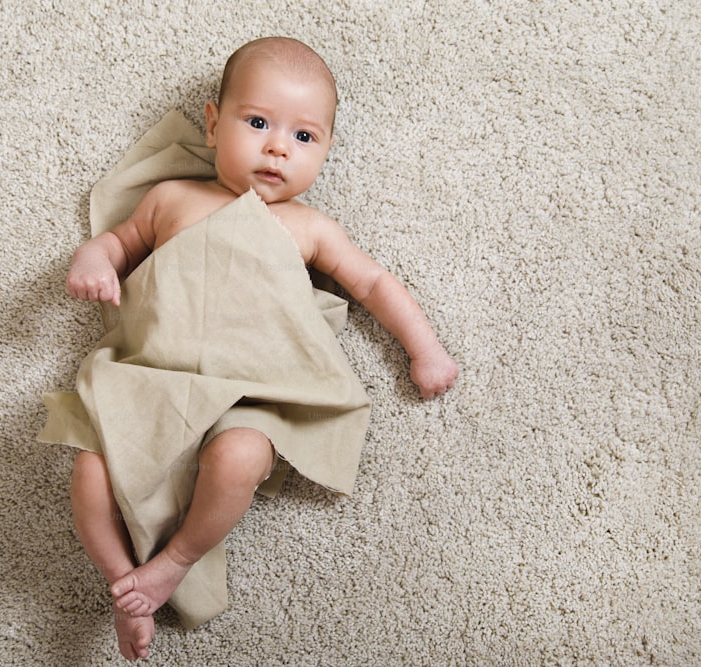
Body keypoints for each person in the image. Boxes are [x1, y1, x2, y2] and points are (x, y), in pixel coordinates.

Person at [63, 36, 458, 661]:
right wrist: (93, 259)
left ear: (327, 150)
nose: (279, 147)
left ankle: (174, 562)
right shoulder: (173, 200)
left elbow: (374, 283)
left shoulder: (310, 227)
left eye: (306, 137)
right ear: (214, 125)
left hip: (252, 392)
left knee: (240, 459)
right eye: (257, 123)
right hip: (150, 379)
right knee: (89, 470)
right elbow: (119, 242)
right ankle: (122, 582)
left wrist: (424, 348)